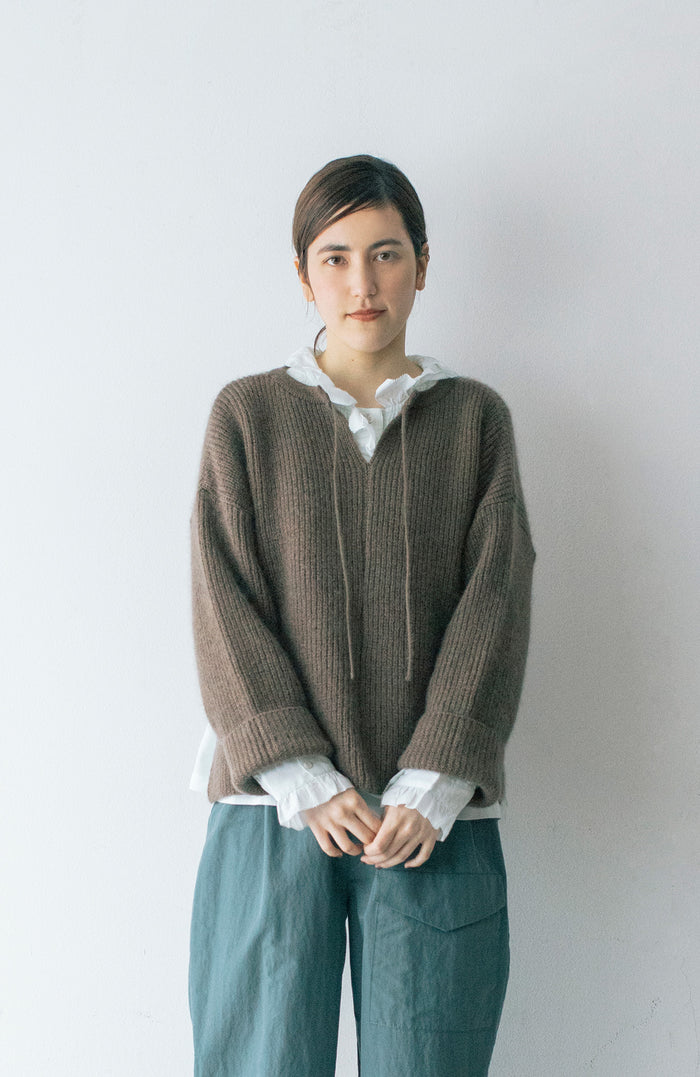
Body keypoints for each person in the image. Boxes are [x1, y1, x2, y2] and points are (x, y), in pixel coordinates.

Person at [187, 154, 536, 1077]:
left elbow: (496, 600)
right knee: (259, 1061)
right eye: (335, 257)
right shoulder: (248, 416)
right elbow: (223, 598)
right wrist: (300, 771)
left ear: (423, 264)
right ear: (303, 275)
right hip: (273, 809)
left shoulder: (475, 421)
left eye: (386, 254)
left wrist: (433, 781)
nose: (362, 283)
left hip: (429, 821)